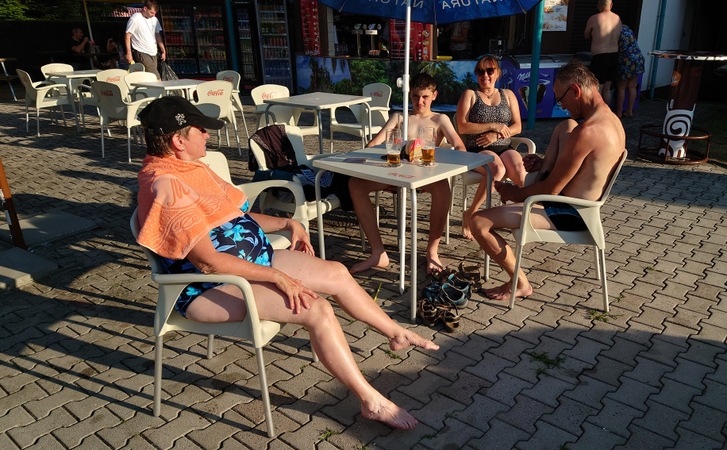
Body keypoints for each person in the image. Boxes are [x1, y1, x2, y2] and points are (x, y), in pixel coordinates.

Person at [135, 96, 439, 430]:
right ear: (178, 141)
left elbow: (234, 218)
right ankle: (371, 401)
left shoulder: (188, 169)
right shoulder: (167, 185)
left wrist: (286, 223)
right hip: (207, 287)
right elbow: (208, 263)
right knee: (317, 309)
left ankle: (396, 334)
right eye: (200, 130)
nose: (208, 135)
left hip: (250, 260)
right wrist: (277, 277)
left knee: (337, 272)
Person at [469, 60, 625, 302]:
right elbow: (586, 167)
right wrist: (545, 164)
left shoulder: (588, 132)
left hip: (568, 213)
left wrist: (513, 193)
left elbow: (551, 189)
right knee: (565, 126)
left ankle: (520, 283)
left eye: (561, 100)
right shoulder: (613, 121)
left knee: (478, 222)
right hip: (582, 207)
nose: (563, 106)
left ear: (575, 90)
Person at [349, 73, 465, 275]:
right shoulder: (400, 117)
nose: (419, 102)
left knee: (443, 188)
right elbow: (374, 143)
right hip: (393, 175)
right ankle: (378, 252)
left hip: (423, 177)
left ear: (434, 95)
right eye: (415, 96)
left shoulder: (440, 119)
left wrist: (445, 158)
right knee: (355, 184)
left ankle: (432, 252)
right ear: (409, 95)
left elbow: (459, 146)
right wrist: (370, 152)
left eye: (425, 97)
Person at [455, 55, 525, 241]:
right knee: (497, 169)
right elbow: (462, 127)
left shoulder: (507, 95)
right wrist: (493, 126)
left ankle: (523, 216)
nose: (485, 75)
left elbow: (517, 126)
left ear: (498, 73)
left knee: (520, 170)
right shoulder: (470, 95)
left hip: (503, 145)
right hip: (477, 148)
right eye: (480, 71)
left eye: (489, 70)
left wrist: (497, 134)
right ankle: (471, 214)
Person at [584, 0, 622, 104]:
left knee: (597, 88)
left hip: (600, 57)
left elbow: (586, 35)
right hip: (614, 55)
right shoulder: (617, 18)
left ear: (598, 5)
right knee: (607, 88)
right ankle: (606, 110)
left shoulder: (594, 18)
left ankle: (597, 110)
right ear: (611, 5)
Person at [125, 0, 166, 78]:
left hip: (153, 52)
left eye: (155, 13)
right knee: (155, 77)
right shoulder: (135, 18)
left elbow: (157, 35)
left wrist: (163, 50)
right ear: (145, 8)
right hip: (141, 51)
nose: (153, 15)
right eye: (152, 12)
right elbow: (127, 36)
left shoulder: (154, 19)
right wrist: (129, 53)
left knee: (148, 77)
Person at [615, 24, 645, 118]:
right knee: (632, 86)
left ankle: (619, 112)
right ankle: (629, 111)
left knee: (621, 87)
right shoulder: (628, 29)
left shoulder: (616, 32)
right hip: (638, 59)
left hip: (626, 61)